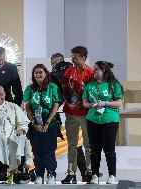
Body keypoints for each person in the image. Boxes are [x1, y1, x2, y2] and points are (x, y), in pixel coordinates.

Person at [82, 61, 123, 184]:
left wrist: (104, 103)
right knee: (94, 150)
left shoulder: (114, 85)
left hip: (110, 120)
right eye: (93, 69)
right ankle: (94, 175)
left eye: (96, 69)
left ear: (103, 70)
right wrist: (92, 105)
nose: (93, 71)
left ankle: (112, 175)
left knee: (109, 149)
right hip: (93, 120)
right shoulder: (90, 86)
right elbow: (85, 103)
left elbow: (118, 103)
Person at [50, 53, 88, 182]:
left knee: (77, 146)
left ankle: (85, 173)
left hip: (78, 114)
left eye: (59, 62)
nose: (57, 66)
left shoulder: (74, 75)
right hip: (59, 117)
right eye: (54, 63)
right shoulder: (50, 79)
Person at [23, 64, 62, 184]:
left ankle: (51, 174)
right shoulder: (29, 88)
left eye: (40, 72)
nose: (38, 75)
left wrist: (47, 123)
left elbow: (56, 105)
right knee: (37, 151)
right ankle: (39, 175)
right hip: (35, 122)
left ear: (46, 74)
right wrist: (34, 123)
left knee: (49, 151)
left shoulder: (53, 87)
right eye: (36, 73)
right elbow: (28, 107)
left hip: (50, 122)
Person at [61, 46, 94, 184]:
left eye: (75, 57)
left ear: (83, 58)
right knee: (72, 145)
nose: (73, 60)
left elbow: (93, 94)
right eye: (72, 57)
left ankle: (90, 172)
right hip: (70, 113)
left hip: (86, 114)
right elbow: (64, 90)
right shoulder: (68, 71)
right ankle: (71, 174)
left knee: (88, 145)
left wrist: (82, 104)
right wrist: (67, 100)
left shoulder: (91, 73)